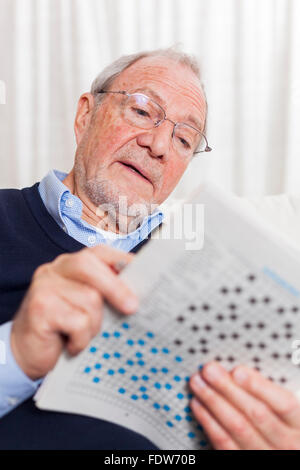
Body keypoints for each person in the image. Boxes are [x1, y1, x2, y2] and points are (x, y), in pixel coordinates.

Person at [0, 47, 300, 450]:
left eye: (183, 139)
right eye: (142, 111)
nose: (159, 145)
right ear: (85, 114)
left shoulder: (205, 264)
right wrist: (15, 352)